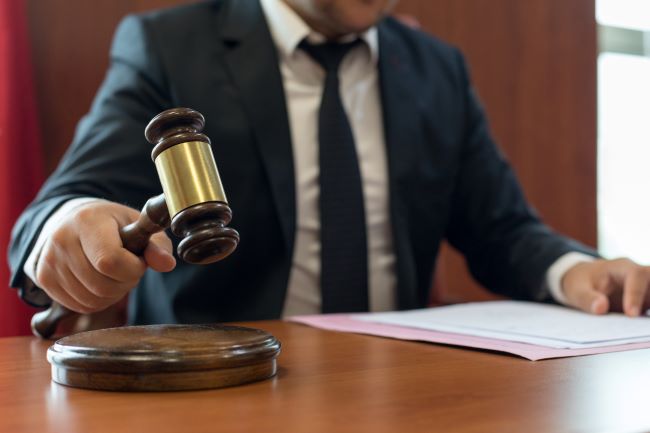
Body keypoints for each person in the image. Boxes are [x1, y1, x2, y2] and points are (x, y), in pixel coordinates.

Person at [8, 0, 650, 325]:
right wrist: (67, 227)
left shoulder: (436, 69)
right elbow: (64, 205)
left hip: (399, 394)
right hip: (220, 394)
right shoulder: (169, 47)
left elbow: (501, 229)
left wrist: (579, 274)